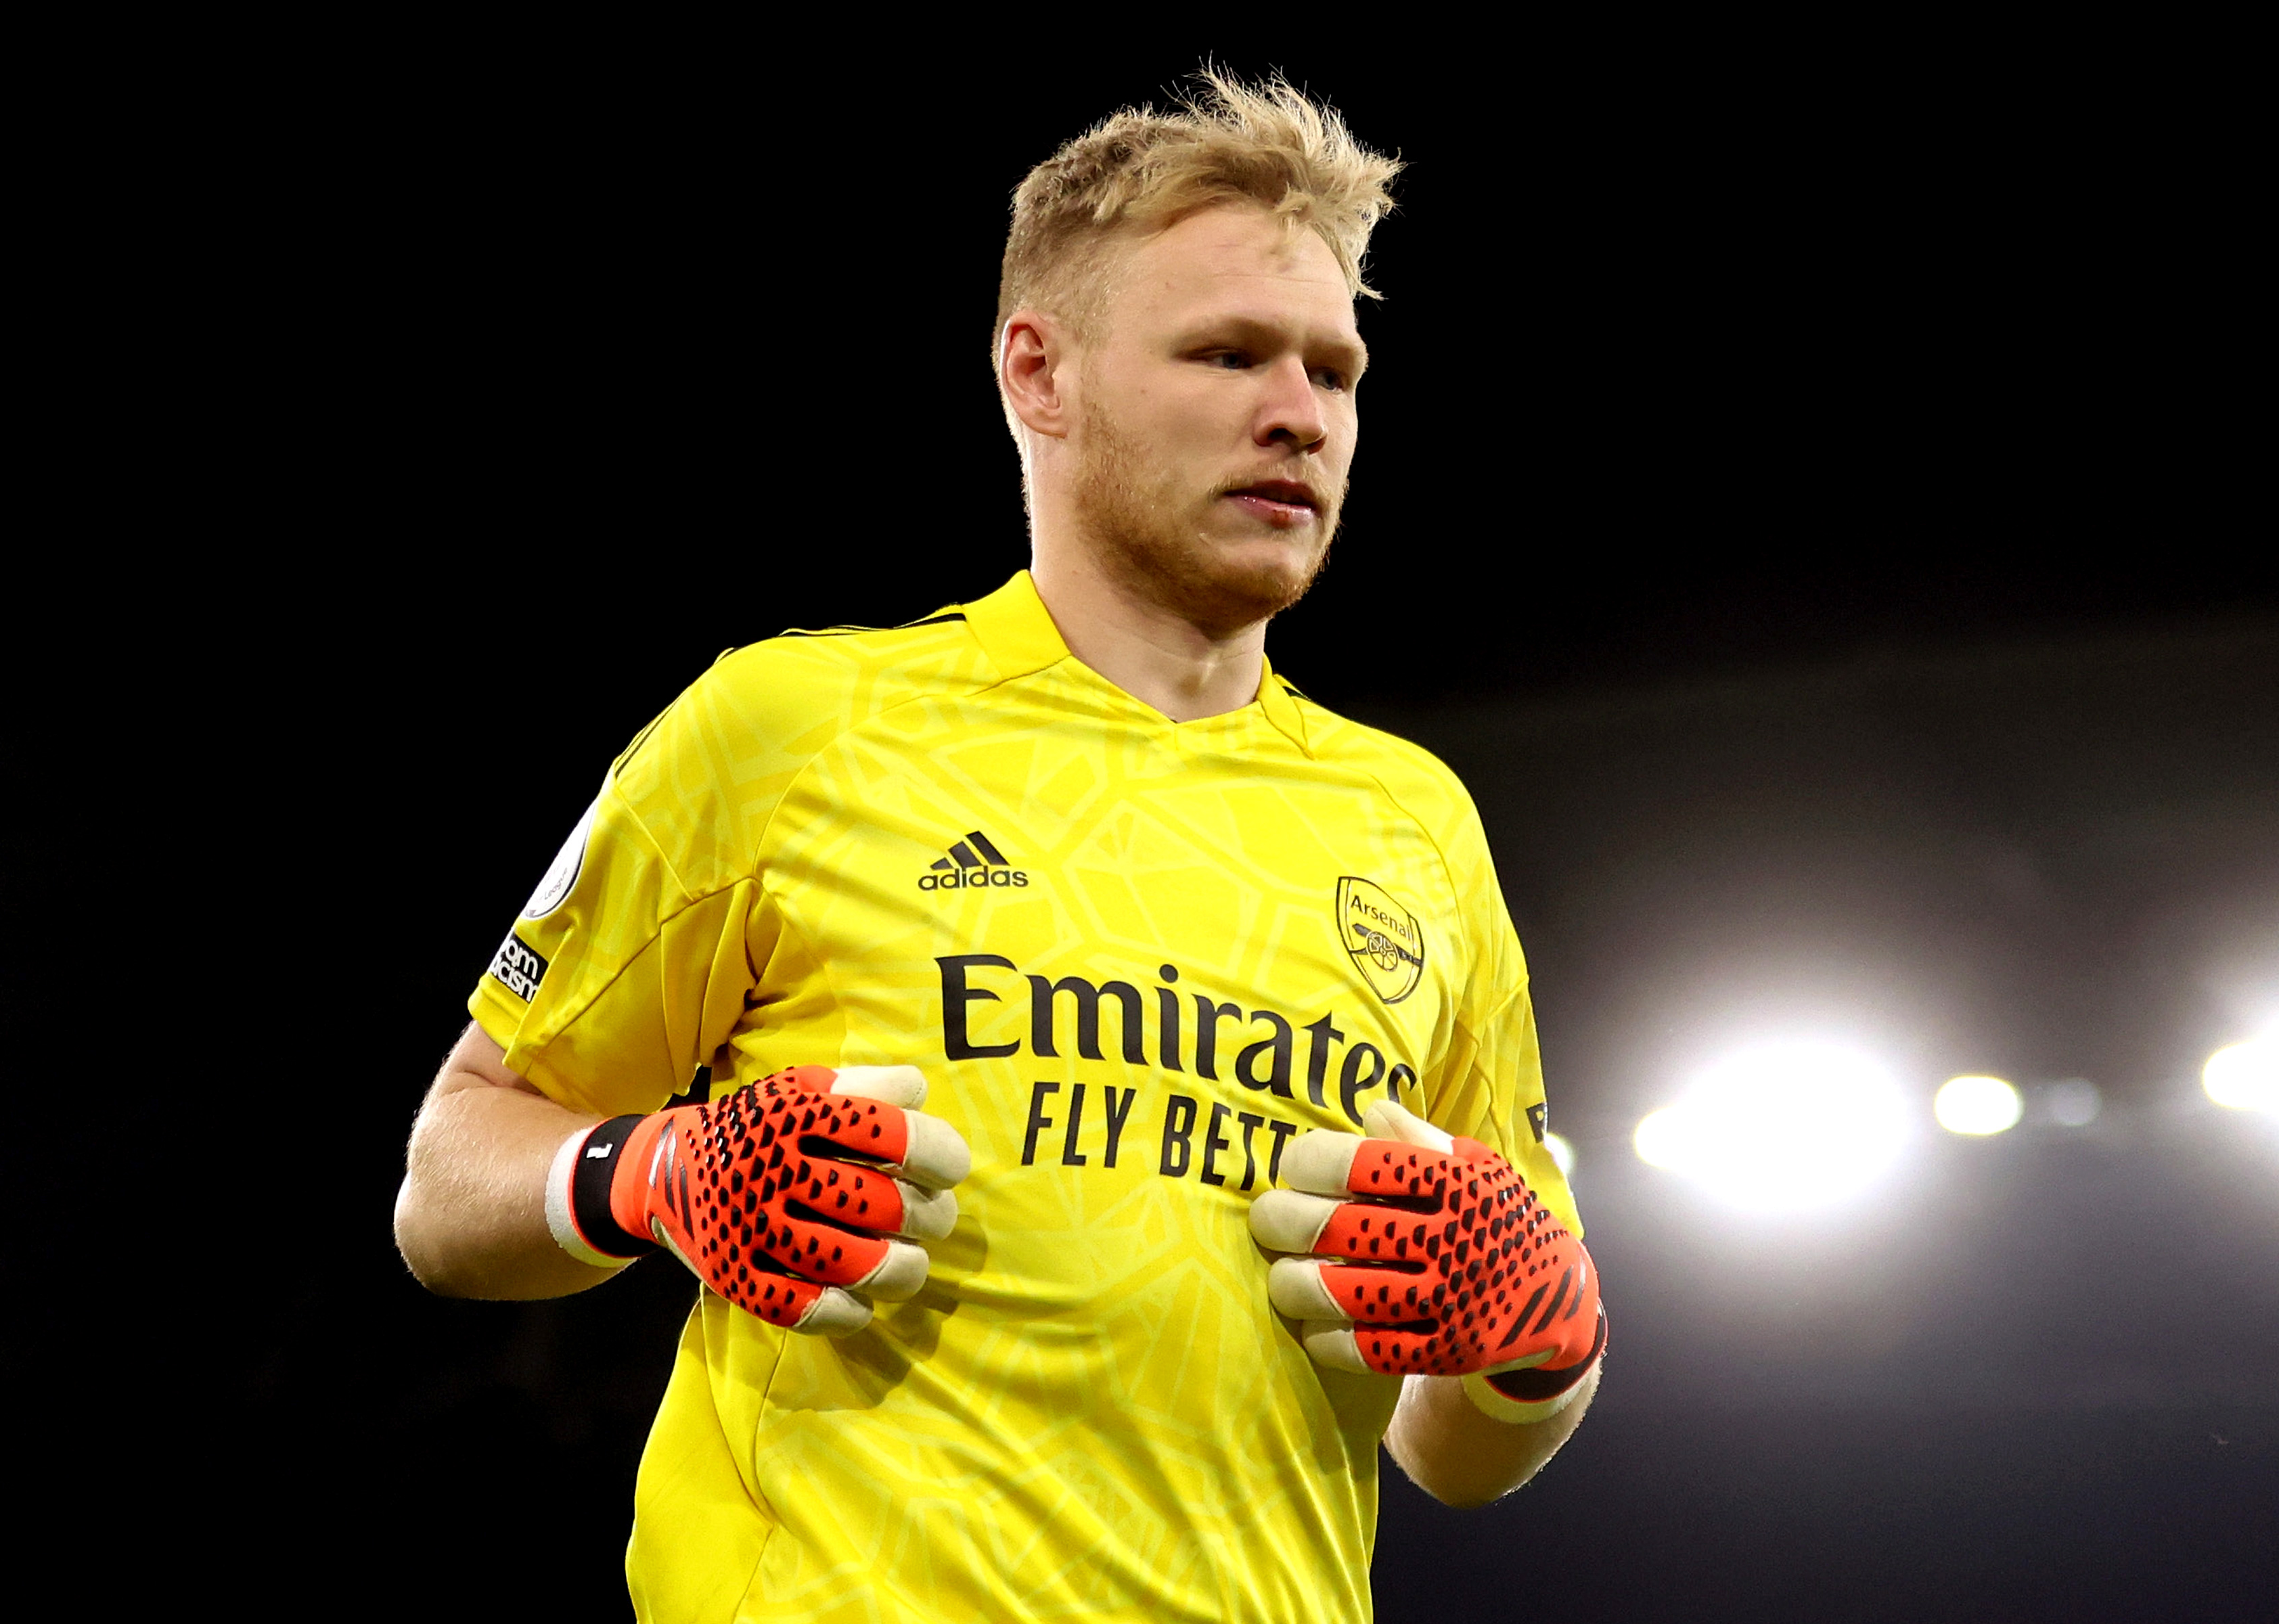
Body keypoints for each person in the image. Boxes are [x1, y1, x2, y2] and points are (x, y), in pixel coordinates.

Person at [394, 72, 1604, 1623]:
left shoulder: (1414, 822)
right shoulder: (788, 725)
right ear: (1038, 373)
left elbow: (1459, 1444)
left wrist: (1541, 1340)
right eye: (1226, 353)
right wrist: (658, 1171)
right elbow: (447, 1188)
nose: (1297, 412)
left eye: (1332, 369)